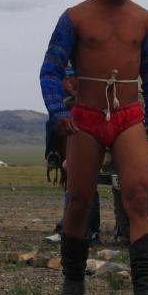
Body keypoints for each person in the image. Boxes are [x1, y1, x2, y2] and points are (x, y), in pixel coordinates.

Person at [40, 0, 148, 295]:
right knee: (78, 200)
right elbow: (49, 69)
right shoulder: (75, 18)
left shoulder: (144, 20)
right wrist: (59, 112)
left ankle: (144, 290)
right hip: (86, 119)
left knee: (137, 197)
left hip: (129, 117)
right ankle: (73, 280)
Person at [44, 65, 101, 245]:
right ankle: (53, 154)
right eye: (67, 79)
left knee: (84, 185)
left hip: (88, 145)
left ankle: (86, 230)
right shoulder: (65, 102)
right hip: (71, 148)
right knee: (74, 185)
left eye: (73, 78)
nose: (70, 82)